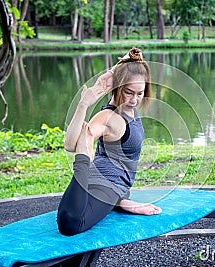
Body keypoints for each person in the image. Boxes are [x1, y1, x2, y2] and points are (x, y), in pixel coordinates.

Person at [57, 47, 162, 236]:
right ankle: (117, 199)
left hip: (116, 186)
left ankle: (120, 200)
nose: (135, 100)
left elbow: (132, 65)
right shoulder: (109, 117)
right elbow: (70, 144)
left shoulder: (127, 103)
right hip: (104, 184)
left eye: (140, 93)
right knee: (70, 224)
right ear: (118, 88)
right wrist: (83, 105)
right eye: (129, 92)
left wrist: (112, 71)